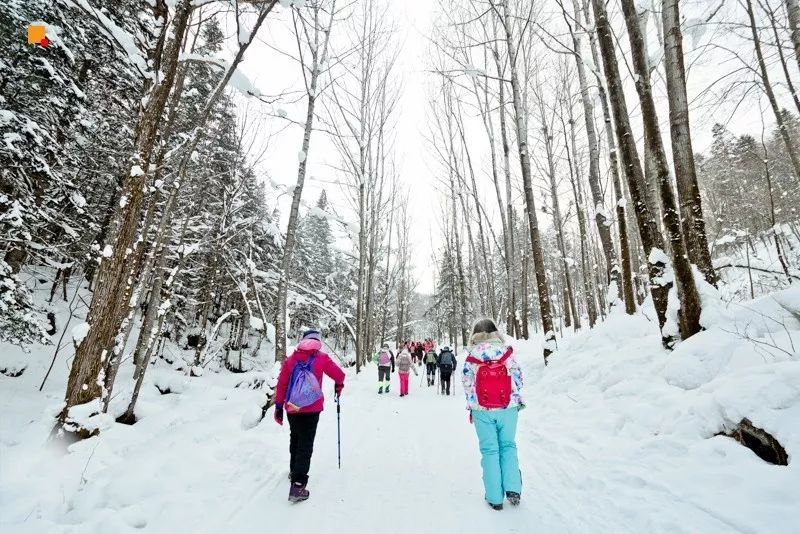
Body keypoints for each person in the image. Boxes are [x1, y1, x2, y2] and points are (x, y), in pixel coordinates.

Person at [274, 329, 345, 503]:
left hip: (292, 408)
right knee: (306, 443)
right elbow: (339, 375)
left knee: (295, 439)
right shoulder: (322, 358)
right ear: (318, 341)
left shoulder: (291, 360)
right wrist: (339, 386)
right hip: (312, 409)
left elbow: (282, 384)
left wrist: (278, 408)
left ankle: (294, 472)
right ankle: (298, 485)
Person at [461, 318, 523, 511]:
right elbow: (519, 380)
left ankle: (495, 497)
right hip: (508, 408)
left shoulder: (473, 355)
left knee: (490, 451)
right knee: (508, 446)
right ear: (496, 332)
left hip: (482, 410)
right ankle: (513, 489)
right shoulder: (506, 352)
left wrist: (474, 404)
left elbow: (467, 384)